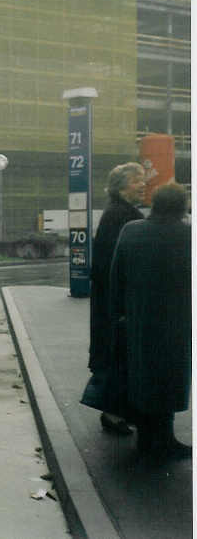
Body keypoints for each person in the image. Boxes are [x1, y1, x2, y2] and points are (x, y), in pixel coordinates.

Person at [110, 183, 191, 459]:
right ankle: (166, 439)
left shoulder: (131, 230)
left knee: (143, 376)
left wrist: (119, 312)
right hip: (176, 321)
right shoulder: (187, 235)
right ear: (181, 206)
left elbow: (116, 275)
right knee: (170, 377)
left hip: (138, 319)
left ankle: (146, 439)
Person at [86, 162, 145, 435]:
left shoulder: (119, 212)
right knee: (116, 355)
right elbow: (110, 264)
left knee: (115, 355)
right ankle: (112, 415)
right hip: (116, 302)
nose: (143, 185)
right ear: (122, 186)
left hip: (111, 300)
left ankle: (117, 412)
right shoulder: (121, 216)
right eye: (136, 180)